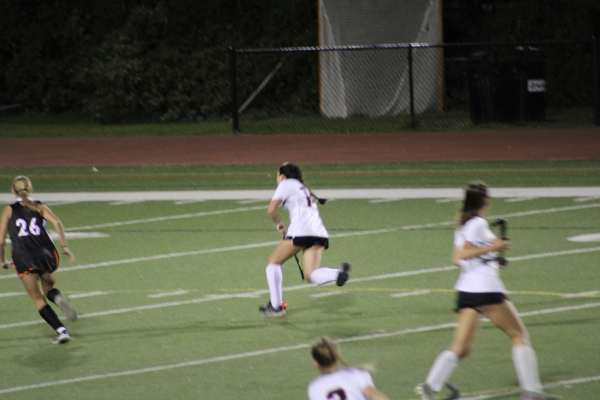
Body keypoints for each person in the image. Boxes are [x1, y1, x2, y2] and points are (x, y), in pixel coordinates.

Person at [415, 182, 557, 400]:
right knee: (519, 336)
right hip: (486, 290)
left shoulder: (463, 226)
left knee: (461, 347)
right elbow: (459, 257)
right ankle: (532, 392)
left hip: (466, 291)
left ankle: (430, 386)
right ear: (486, 200)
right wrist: (495, 247)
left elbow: (466, 256)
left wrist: (493, 259)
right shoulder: (478, 223)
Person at [258, 163, 350, 316]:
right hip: (319, 232)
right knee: (311, 274)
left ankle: (276, 307)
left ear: (282, 175)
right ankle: (336, 274)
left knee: (273, 262)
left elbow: (271, 210)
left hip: (300, 231)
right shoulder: (303, 187)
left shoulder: (285, 183)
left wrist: (279, 223)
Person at [0, 176, 77, 345]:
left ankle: (61, 330)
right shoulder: (39, 207)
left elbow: (0, 240)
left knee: (37, 298)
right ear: (31, 190)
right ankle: (57, 298)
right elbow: (57, 222)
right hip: (45, 252)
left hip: (23, 256)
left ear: (13, 192)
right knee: (49, 288)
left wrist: (3, 259)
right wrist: (64, 247)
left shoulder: (9, 211)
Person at [308, 337, 391, 400]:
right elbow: (373, 395)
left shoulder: (314, 387)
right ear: (337, 355)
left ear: (315, 362)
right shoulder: (357, 374)